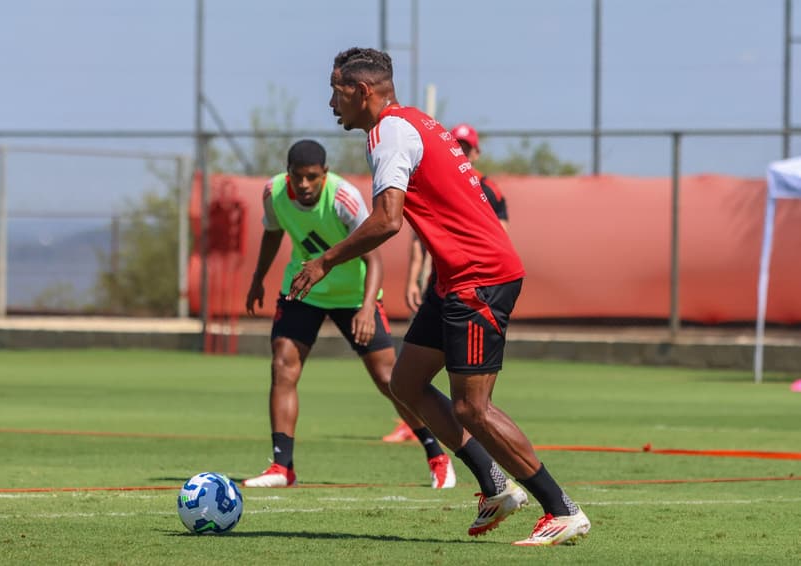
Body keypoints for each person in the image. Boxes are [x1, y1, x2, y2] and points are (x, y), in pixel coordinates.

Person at [287, 48, 590, 545]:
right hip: (456, 277)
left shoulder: (388, 132)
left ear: (362, 91)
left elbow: (387, 220)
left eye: (336, 90)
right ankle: (495, 485)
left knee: (473, 408)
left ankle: (561, 508)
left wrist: (324, 261)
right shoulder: (413, 121)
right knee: (404, 382)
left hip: (478, 277)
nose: (330, 102)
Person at [242, 139, 456, 490]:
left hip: (355, 295)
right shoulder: (273, 192)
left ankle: (438, 456)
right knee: (283, 365)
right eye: (298, 177)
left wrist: (368, 307)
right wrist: (257, 279)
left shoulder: (344, 198)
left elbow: (374, 257)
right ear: (288, 174)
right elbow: (273, 231)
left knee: (391, 380)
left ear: (324, 174)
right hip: (304, 288)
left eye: (312, 177)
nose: (305, 184)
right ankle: (282, 467)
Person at [386, 122, 510, 443]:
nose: (463, 151)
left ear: (476, 152)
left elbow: (501, 237)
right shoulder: (437, 182)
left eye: (468, 147)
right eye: (459, 146)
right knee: (409, 377)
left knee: (471, 397)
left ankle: (481, 430)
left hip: (473, 285)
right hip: (440, 283)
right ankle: (419, 422)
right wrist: (414, 278)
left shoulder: (489, 189)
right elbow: (420, 237)